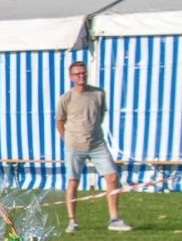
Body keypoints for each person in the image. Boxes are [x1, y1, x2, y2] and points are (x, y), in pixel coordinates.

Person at [56, 60, 131, 232]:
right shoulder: (65, 98)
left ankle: (114, 219)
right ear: (71, 77)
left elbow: (100, 116)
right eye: (77, 74)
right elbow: (59, 122)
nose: (81, 76)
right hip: (74, 145)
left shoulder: (98, 94)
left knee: (112, 177)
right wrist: (67, 139)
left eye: (83, 73)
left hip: (97, 143)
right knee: (73, 182)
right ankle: (72, 221)